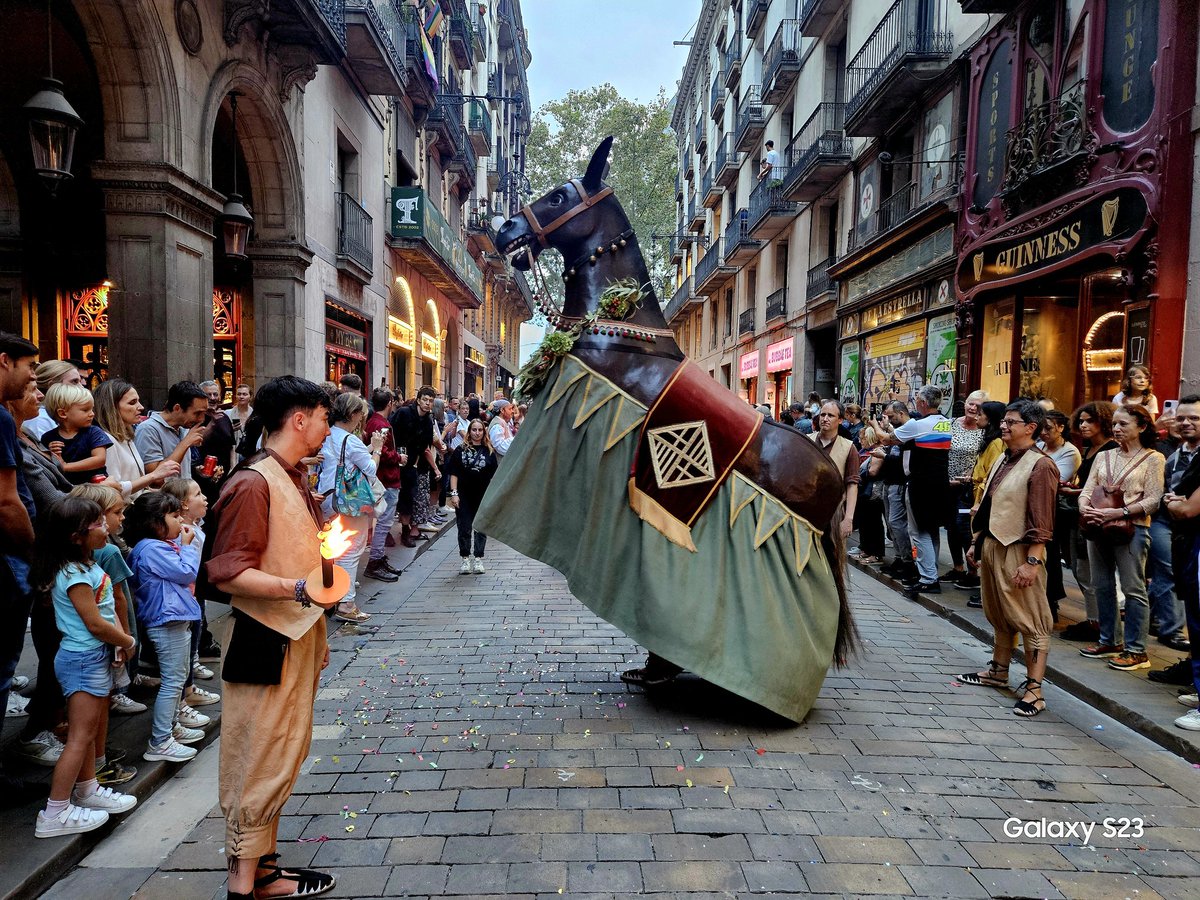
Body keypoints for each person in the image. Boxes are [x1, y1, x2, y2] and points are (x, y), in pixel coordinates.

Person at [204, 376, 338, 900]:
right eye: (324, 418)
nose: (328, 428)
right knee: (259, 755)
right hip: (265, 638)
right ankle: (243, 886)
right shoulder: (254, 482)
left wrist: (316, 631)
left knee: (284, 751)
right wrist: (299, 590)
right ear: (299, 419)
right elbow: (228, 572)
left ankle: (264, 870)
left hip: (295, 633)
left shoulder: (293, 476)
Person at [31, 496, 139, 837]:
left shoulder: (87, 565)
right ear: (76, 536)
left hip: (91, 657)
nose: (106, 527)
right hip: (82, 659)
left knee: (87, 733)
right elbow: (94, 623)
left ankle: (87, 791)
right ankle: (54, 813)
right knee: (78, 737)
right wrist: (126, 640)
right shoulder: (75, 574)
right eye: (98, 524)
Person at [960, 400, 1059, 718]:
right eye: (1003, 421)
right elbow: (990, 505)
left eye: (1011, 422)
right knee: (1000, 613)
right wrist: (977, 541)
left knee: (1031, 619)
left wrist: (1032, 562)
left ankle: (1035, 691)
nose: (1003, 426)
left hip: (1019, 549)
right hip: (993, 543)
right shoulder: (1004, 456)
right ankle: (998, 671)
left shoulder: (1041, 465)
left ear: (1031, 428)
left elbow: (1042, 521)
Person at [1077, 404, 1165, 671]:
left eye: (1123, 424)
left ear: (1142, 426)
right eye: (1114, 423)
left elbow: (1153, 499)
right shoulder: (1105, 456)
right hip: (1097, 527)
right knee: (1101, 584)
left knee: (1133, 588)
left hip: (1133, 528)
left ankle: (1136, 650)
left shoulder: (1153, 458)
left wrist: (1121, 511)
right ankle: (1109, 640)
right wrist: (1085, 507)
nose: (1116, 428)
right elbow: (1087, 488)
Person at [126, 490, 205, 761]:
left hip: (173, 618)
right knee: (173, 681)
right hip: (166, 619)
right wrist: (186, 546)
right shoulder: (151, 548)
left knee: (178, 676)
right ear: (154, 522)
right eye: (173, 516)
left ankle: (171, 728)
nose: (179, 520)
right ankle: (160, 741)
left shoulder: (154, 546)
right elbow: (185, 573)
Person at [69, 483, 147, 741]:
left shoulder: (71, 558)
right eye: (116, 512)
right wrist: (126, 637)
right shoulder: (109, 551)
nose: (122, 517)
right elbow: (118, 597)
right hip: (104, 638)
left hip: (82, 644)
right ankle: (98, 765)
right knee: (93, 713)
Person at [0, 332, 41, 805]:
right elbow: (8, 502)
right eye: (29, 367)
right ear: (5, 360)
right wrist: (35, 555)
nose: (33, 377)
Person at [317, 392, 383, 623]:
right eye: (361, 414)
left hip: (325, 498)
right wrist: (376, 449)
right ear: (354, 414)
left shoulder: (325, 435)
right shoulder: (350, 440)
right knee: (351, 550)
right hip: (348, 502)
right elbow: (371, 470)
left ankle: (330, 596)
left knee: (329, 550)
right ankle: (346, 603)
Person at [880, 385, 952, 596]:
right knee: (932, 531)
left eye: (917, 400)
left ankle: (928, 579)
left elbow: (886, 439)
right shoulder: (947, 423)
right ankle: (931, 574)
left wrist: (876, 425)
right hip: (941, 483)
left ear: (922, 402)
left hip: (921, 485)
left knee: (919, 532)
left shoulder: (918, 425)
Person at [159, 477, 222, 710]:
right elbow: (186, 568)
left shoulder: (196, 526)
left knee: (194, 637)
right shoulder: (182, 534)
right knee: (187, 642)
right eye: (198, 494)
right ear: (184, 504)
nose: (204, 498)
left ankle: (192, 667)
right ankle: (187, 692)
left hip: (195, 595)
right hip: (187, 596)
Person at [1058, 402, 1119, 641]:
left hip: (1096, 517)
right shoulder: (1089, 449)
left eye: (1089, 421)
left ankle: (1099, 623)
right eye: (1081, 420)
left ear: (1103, 422)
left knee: (1089, 571)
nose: (1083, 425)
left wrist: (1078, 491)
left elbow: (1107, 487)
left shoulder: (1111, 449)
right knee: (1080, 569)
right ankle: (1095, 619)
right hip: (1079, 514)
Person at [1161, 395, 1200, 730]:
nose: (1187, 423)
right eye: (1182, 417)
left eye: (1196, 418)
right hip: (1186, 542)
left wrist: (1175, 504)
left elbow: (1187, 508)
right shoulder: (1176, 455)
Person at [93, 379, 180, 500]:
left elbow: (135, 485)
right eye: (132, 402)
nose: (141, 407)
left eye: (138, 401)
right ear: (112, 407)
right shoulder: (106, 440)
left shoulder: (126, 437)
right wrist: (154, 475)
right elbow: (113, 489)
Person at [1038, 409, 1081, 622]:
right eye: (1041, 428)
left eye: (1048, 428)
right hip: (1037, 506)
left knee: (1051, 555)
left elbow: (1056, 480)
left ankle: (1051, 601)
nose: (1044, 433)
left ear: (1061, 428)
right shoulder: (1038, 446)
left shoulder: (1070, 452)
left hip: (1056, 511)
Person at [945, 390, 988, 588]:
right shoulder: (950, 424)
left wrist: (970, 476)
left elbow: (984, 459)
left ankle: (973, 571)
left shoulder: (984, 430)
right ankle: (957, 567)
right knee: (951, 526)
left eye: (978, 406)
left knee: (964, 527)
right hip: (948, 486)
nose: (972, 408)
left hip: (969, 489)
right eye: (970, 403)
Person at [363, 388, 404, 583]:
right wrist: (399, 457)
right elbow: (383, 452)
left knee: (382, 522)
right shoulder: (379, 424)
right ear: (389, 403)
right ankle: (375, 561)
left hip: (385, 477)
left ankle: (378, 558)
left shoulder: (376, 422)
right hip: (386, 478)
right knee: (383, 522)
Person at [448, 418, 498, 574]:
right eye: (474, 430)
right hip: (463, 494)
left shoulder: (489, 451)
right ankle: (465, 558)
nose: (477, 433)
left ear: (484, 432)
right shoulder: (460, 450)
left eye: (480, 430)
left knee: (480, 527)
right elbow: (454, 473)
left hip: (482, 494)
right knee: (464, 527)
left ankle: (478, 559)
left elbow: (493, 476)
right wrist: (454, 494)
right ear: (469, 432)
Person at [389, 387, 437, 548]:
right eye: (425, 399)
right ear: (418, 400)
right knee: (394, 499)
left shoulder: (428, 421)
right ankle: (388, 532)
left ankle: (406, 531)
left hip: (411, 465)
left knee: (409, 498)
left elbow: (425, 445)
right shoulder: (404, 413)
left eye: (430, 401)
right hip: (395, 461)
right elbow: (390, 434)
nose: (427, 403)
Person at [39, 383, 112, 485]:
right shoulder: (48, 438)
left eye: (92, 409)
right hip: (66, 489)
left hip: (96, 486)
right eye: (85, 410)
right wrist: (51, 453)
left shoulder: (94, 432)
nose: (92, 414)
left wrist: (65, 466)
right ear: (63, 413)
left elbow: (99, 459)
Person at [135, 381, 209, 479]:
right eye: (197, 413)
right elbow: (155, 478)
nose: (201, 419)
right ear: (177, 408)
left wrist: (197, 470)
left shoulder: (184, 428)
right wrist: (185, 443)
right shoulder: (148, 430)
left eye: (204, 413)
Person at [875, 401, 915, 581]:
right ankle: (899, 558)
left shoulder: (909, 430)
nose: (890, 420)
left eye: (891, 417)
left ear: (900, 413)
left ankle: (907, 561)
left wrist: (884, 455)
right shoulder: (898, 430)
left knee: (897, 523)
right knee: (892, 523)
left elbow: (898, 459)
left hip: (899, 482)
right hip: (890, 481)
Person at [808, 400, 858, 538]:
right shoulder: (807, 441)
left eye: (830, 415)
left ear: (840, 420)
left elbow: (852, 484)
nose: (825, 419)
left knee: (832, 556)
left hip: (834, 513)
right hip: (806, 510)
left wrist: (848, 518)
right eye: (822, 414)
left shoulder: (849, 447)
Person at [24, 360, 84, 441]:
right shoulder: (40, 420)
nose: (81, 388)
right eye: (74, 382)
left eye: (80, 381)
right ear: (53, 386)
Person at [196, 380, 235, 504]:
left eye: (215, 394)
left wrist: (233, 467)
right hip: (203, 477)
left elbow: (231, 445)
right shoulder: (196, 418)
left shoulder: (224, 417)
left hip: (224, 475)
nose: (213, 398)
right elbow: (197, 442)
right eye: (209, 395)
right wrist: (212, 423)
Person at [854, 425, 886, 564]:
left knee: (874, 523)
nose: (861, 441)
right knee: (866, 522)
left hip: (874, 493)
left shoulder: (878, 451)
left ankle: (875, 553)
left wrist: (861, 473)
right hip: (867, 492)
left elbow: (873, 471)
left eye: (863, 438)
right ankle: (867, 550)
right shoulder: (869, 451)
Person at [225, 384, 254, 458]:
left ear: (250, 396)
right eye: (239, 394)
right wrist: (231, 430)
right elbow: (222, 434)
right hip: (232, 451)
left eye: (244, 394)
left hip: (250, 452)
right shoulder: (227, 413)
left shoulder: (255, 415)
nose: (241, 397)